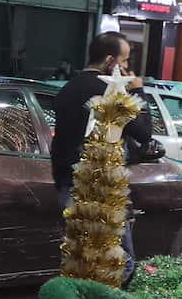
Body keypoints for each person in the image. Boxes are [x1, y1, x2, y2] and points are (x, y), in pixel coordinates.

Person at [50, 31, 152, 280]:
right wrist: (138, 91)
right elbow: (144, 131)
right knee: (119, 262)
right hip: (103, 191)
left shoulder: (68, 89)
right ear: (110, 62)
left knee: (80, 257)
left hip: (69, 184)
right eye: (125, 61)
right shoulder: (111, 93)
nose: (127, 68)